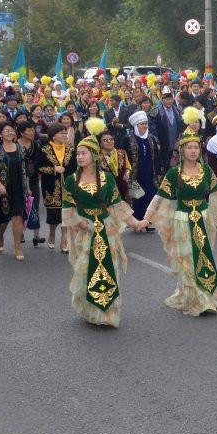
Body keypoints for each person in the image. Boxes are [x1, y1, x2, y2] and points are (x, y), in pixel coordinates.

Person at [139, 118, 217, 316]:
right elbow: (159, 197)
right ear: (182, 151)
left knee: (203, 257)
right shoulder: (173, 173)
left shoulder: (205, 170)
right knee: (187, 258)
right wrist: (146, 218)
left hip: (203, 218)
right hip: (182, 220)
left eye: (196, 147)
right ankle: (193, 297)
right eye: (189, 148)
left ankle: (204, 296)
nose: (193, 151)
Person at [62, 132, 136, 327]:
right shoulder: (71, 180)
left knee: (108, 269)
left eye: (84, 153)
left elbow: (117, 204)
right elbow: (67, 208)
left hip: (106, 228)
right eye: (78, 154)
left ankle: (108, 313)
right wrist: (80, 222)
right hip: (85, 233)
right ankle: (90, 310)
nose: (80, 157)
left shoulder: (107, 178)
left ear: (94, 156)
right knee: (88, 269)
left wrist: (135, 222)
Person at [0, 121, 31, 261]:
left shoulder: (21, 149)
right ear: (0, 134)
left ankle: (17, 248)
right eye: (6, 131)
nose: (10, 133)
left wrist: (28, 187)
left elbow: (26, 169)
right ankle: (0, 237)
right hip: (3, 188)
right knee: (3, 220)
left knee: (18, 217)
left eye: (11, 130)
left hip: (19, 188)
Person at [38, 122, 77, 252]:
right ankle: (52, 233)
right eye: (62, 133)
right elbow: (39, 167)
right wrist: (54, 169)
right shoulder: (44, 149)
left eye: (66, 132)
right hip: (51, 186)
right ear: (54, 136)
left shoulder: (71, 149)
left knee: (66, 214)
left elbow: (75, 167)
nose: (65, 135)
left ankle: (64, 240)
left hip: (68, 186)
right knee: (54, 215)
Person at [125, 110, 160, 227]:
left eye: (146, 123)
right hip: (136, 174)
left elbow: (157, 156)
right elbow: (124, 156)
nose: (144, 126)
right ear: (136, 126)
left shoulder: (152, 138)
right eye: (142, 124)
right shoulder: (128, 138)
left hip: (150, 172)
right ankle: (137, 222)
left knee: (150, 196)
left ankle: (148, 221)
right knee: (137, 197)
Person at [17, 120, 46, 248]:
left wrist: (39, 174)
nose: (32, 132)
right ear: (22, 132)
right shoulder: (15, 146)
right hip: (18, 180)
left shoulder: (36, 145)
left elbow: (39, 161)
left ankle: (36, 235)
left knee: (34, 205)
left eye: (33, 130)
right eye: (29, 130)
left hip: (34, 179)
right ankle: (21, 233)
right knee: (21, 208)